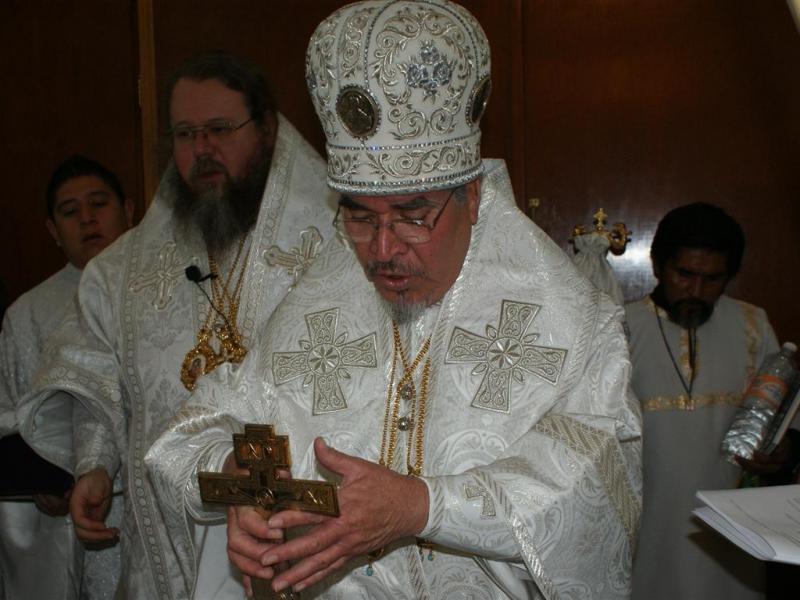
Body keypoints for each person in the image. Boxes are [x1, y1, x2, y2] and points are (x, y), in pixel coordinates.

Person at [147, 3, 643, 598]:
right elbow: (193, 434)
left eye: (413, 215)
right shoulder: (321, 300)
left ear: (472, 197)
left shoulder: (573, 324)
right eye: (359, 216)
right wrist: (239, 479)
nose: (381, 250)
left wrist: (423, 506)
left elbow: (597, 491)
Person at [18, 51, 336, 600]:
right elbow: (99, 376)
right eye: (186, 134)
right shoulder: (123, 271)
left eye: (220, 129)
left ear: (265, 130)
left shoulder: (336, 242)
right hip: (169, 529)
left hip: (296, 521)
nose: (202, 149)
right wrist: (95, 464)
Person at [626, 202, 784, 600]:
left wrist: (783, 451)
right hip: (647, 534)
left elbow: (785, 421)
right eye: (684, 274)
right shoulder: (621, 328)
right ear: (658, 265)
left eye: (713, 279)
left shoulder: (753, 325)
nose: (696, 291)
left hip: (732, 537)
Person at [0, 155, 133, 599]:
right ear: (53, 231)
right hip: (62, 521)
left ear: (128, 210)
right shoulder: (26, 315)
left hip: (142, 504)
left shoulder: (161, 291)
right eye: (70, 212)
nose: (87, 219)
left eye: (99, 203)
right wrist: (41, 479)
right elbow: (11, 411)